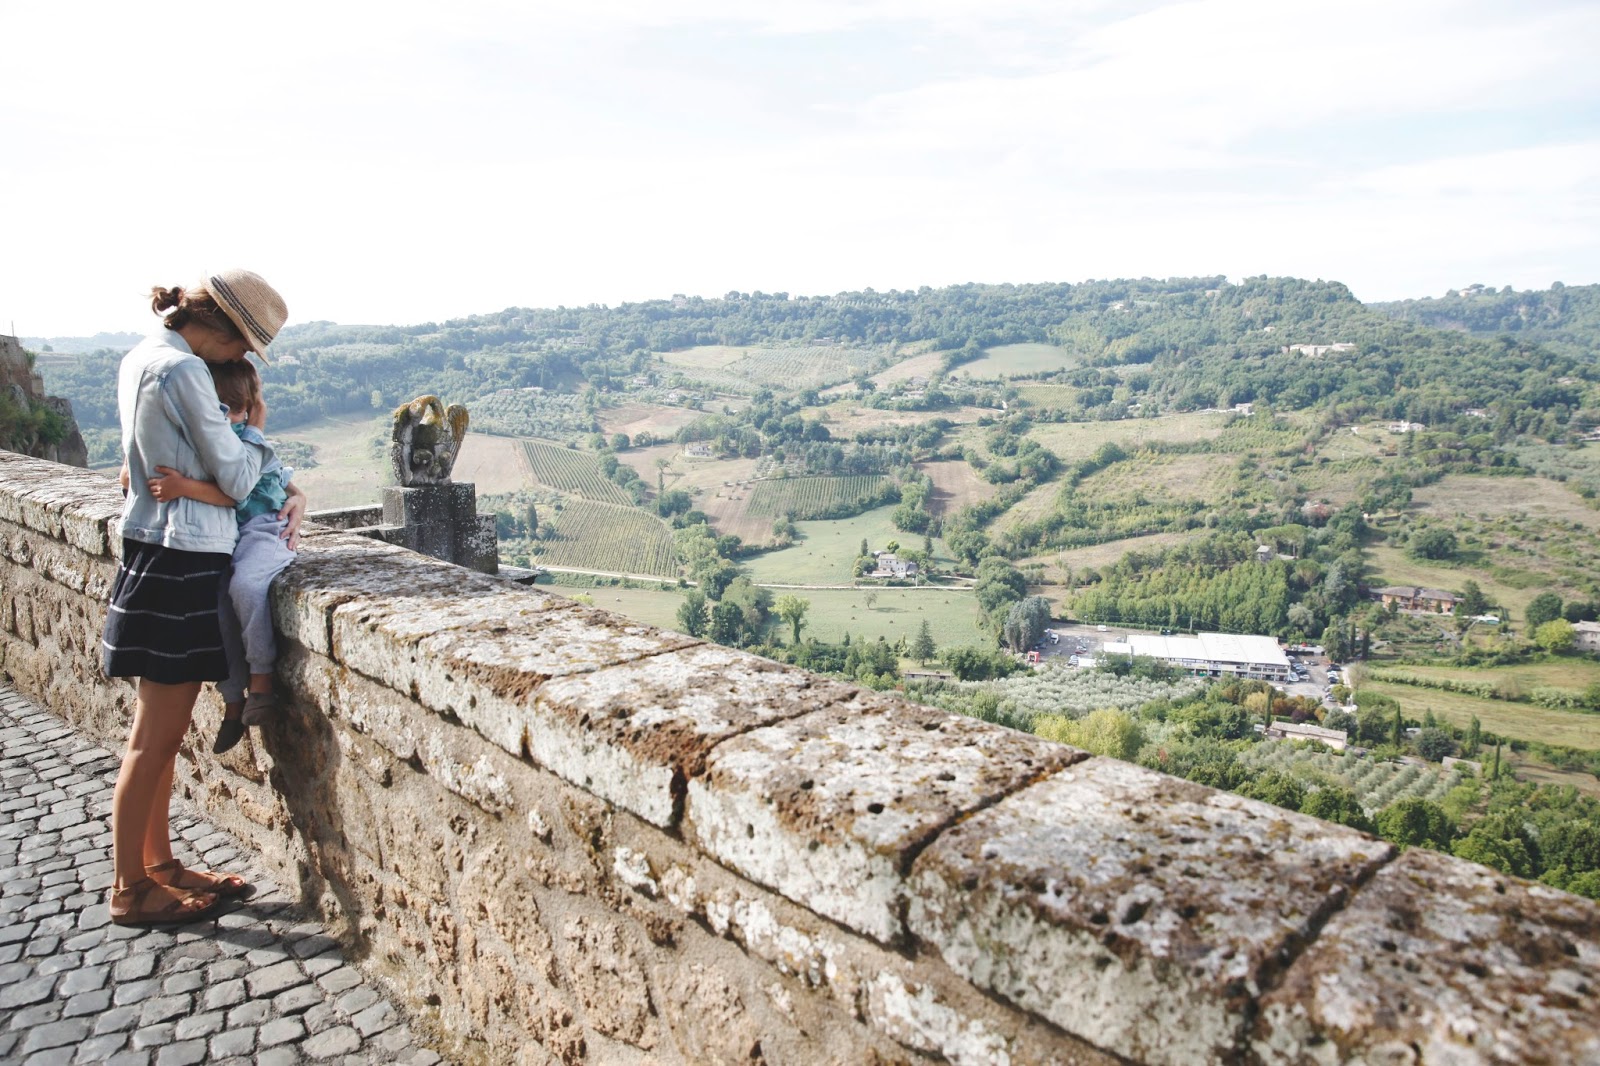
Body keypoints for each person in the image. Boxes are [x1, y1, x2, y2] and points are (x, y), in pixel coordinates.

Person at [103, 269, 301, 926]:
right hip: (180, 558)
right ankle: (131, 891)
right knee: (153, 739)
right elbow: (241, 473)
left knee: (157, 737)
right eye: (243, 345)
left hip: (157, 548)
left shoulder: (143, 355)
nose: (241, 362)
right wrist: (262, 459)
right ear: (218, 328)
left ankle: (158, 866)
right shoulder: (185, 372)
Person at [145, 358, 303, 755]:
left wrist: (182, 487)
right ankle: (233, 703)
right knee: (217, 607)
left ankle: (262, 684)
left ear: (249, 409)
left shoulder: (249, 442)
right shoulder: (204, 440)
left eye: (238, 409)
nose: (230, 418)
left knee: (247, 587)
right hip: (226, 537)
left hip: (263, 530)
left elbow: (242, 492)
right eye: (221, 409)